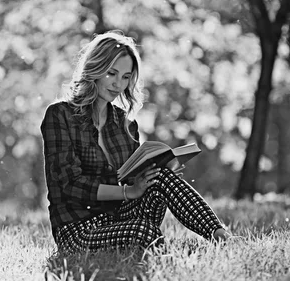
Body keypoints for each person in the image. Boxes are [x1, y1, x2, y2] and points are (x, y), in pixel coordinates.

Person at [40, 31, 231, 253]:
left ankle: (222, 236)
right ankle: (169, 255)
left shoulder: (124, 123)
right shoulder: (59, 115)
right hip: (78, 227)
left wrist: (157, 170)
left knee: (159, 177)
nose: (118, 84)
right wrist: (127, 192)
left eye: (126, 76)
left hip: (119, 214)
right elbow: (69, 185)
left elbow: (132, 176)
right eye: (111, 73)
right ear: (95, 69)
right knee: (145, 232)